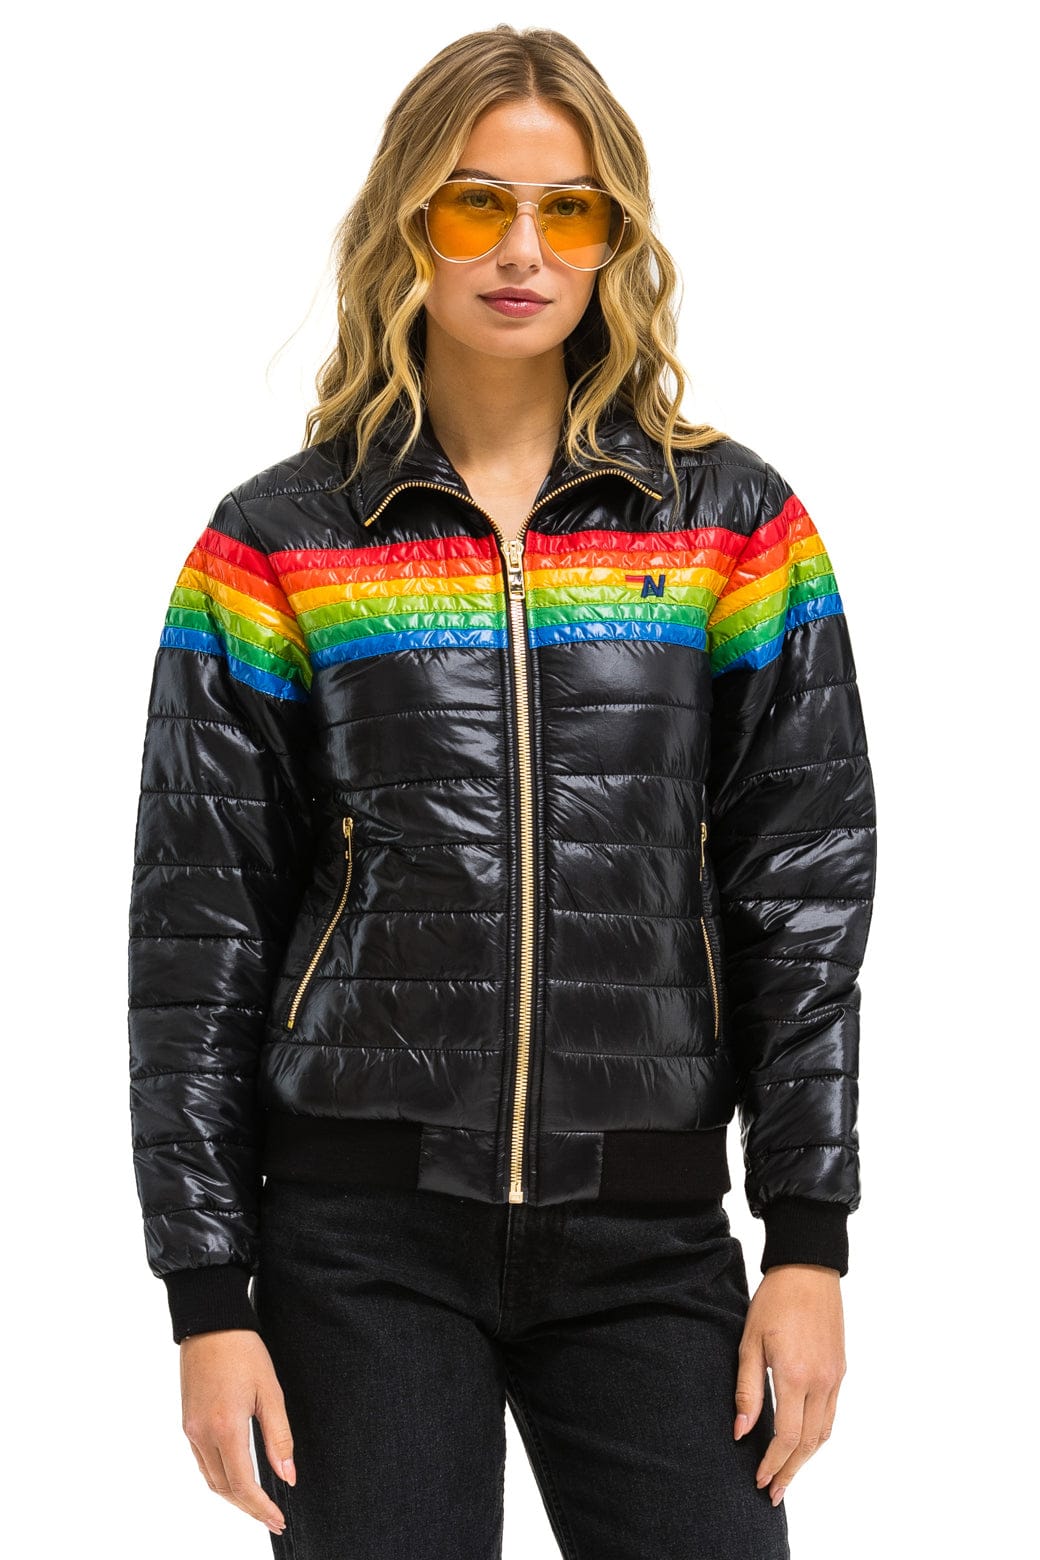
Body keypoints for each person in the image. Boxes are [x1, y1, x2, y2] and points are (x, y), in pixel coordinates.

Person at [127, 23, 877, 1559]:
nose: (522, 250)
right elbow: (197, 928)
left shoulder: (732, 523)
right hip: (358, 1243)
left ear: (615, 237)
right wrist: (206, 1294)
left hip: (648, 1235)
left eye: (568, 210)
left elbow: (800, 894)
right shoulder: (279, 543)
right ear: (408, 220)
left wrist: (807, 1240)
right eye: (477, 203)